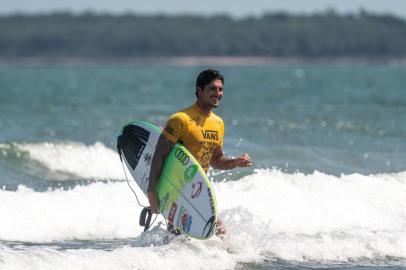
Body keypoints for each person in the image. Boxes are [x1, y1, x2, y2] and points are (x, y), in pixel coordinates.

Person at [147, 69, 252, 235]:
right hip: (176, 190)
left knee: (214, 235)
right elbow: (159, 156)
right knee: (182, 238)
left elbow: (216, 160)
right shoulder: (181, 119)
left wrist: (235, 162)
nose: (217, 93)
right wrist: (152, 192)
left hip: (198, 191)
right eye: (212, 88)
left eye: (220, 89)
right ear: (198, 90)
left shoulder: (218, 123)